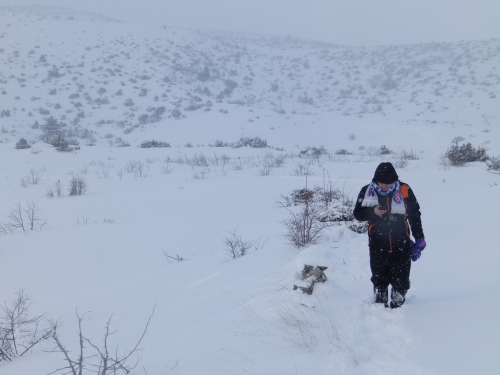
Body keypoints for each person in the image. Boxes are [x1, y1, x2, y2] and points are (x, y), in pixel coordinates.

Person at [353, 162, 426, 308]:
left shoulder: (404, 189)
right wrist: (372, 212)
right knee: (379, 275)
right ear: (376, 180)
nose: (384, 187)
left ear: (395, 180)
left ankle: (398, 302)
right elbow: (358, 214)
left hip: (401, 240)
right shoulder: (367, 190)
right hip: (377, 241)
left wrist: (419, 237)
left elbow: (414, 214)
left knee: (401, 276)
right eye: (381, 183)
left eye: (388, 183)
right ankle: (380, 302)